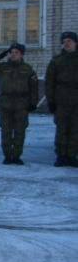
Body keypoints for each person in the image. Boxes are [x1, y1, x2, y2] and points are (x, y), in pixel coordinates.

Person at [0, 43, 39, 165]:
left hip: (22, 104)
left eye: (16, 52)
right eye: (11, 52)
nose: (13, 55)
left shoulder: (28, 69)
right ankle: (7, 156)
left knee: (20, 131)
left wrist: (33, 103)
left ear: (21, 54)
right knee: (6, 130)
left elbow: (34, 87)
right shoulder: (2, 67)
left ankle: (17, 156)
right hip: (6, 103)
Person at [46, 31, 78, 167]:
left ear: (76, 43)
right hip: (62, 100)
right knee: (61, 129)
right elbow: (49, 82)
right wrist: (51, 101)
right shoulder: (56, 61)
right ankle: (61, 156)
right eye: (64, 42)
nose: (67, 44)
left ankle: (71, 156)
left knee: (75, 129)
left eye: (70, 41)